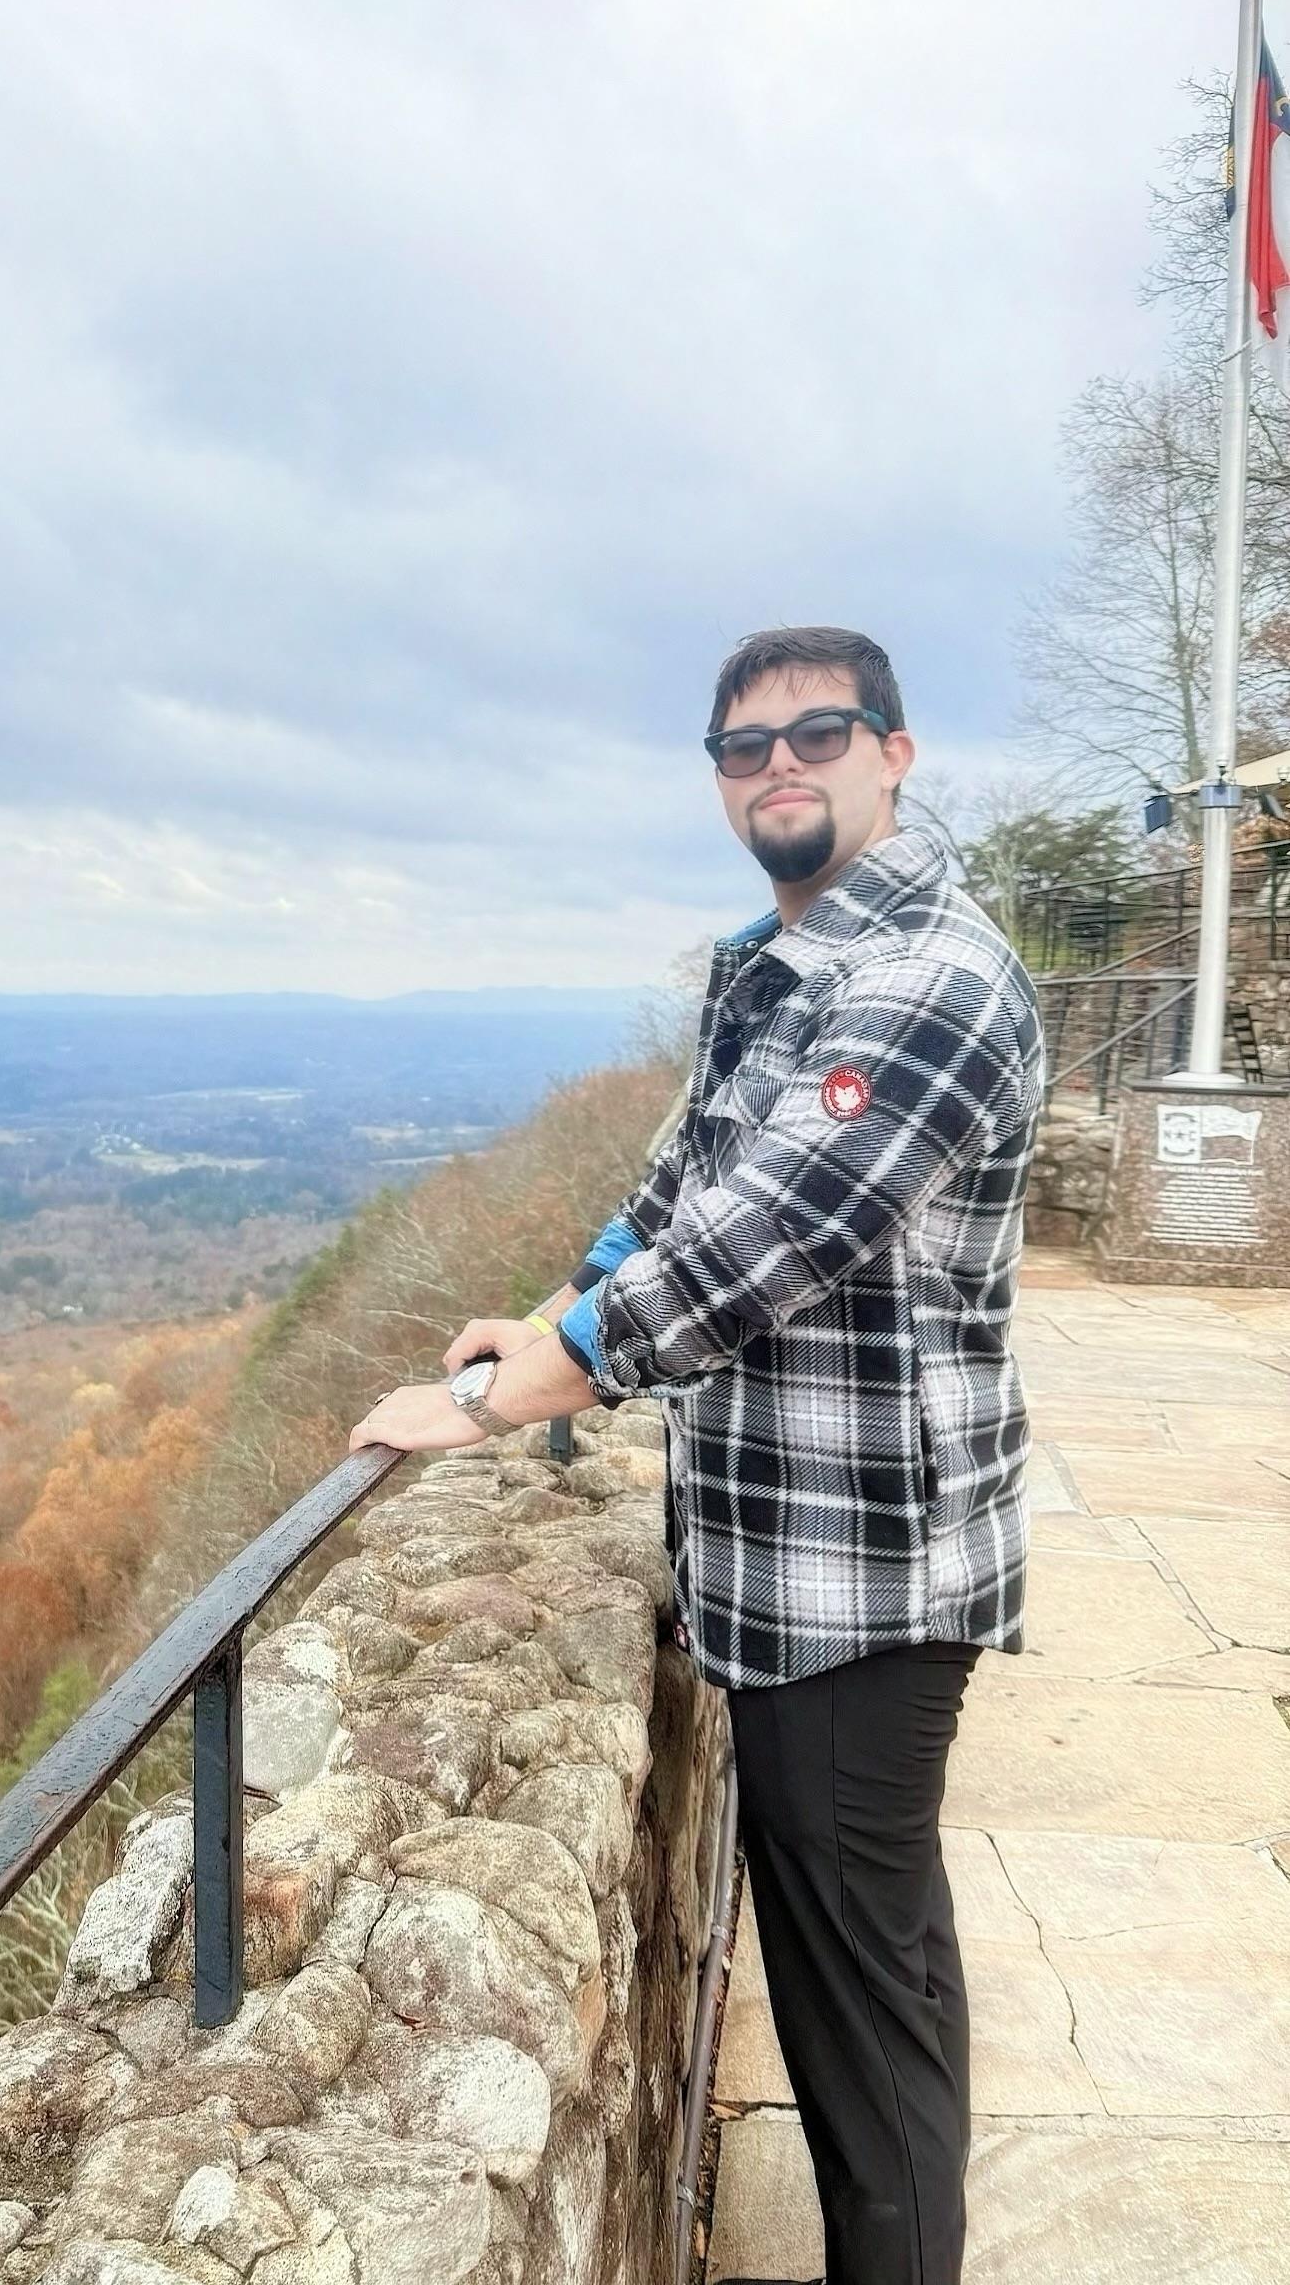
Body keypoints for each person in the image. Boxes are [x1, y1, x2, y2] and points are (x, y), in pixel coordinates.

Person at [349, 626, 1044, 2285]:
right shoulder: (775, 965)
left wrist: (529, 1388)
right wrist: (559, 1301)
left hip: (860, 1575)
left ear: (896, 750)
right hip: (794, 1562)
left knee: (856, 2019)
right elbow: (683, 1188)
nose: (781, 766)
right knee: (884, 1955)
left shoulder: (931, 975)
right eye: (747, 748)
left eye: (820, 732)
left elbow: (778, 1233)